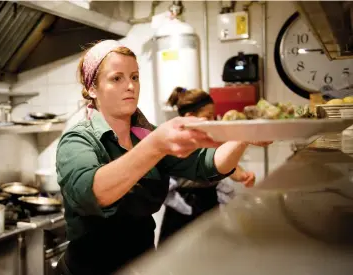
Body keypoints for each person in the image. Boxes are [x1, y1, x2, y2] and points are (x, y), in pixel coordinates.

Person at [55, 40, 270, 275]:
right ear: (93, 89)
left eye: (134, 77)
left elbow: (207, 164)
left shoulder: (145, 135)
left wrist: (244, 136)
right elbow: (93, 193)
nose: (130, 86)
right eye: (117, 78)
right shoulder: (78, 140)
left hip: (142, 265)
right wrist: (155, 146)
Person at [159, 87, 256, 243]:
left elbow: (220, 164)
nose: (213, 121)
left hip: (209, 201)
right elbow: (208, 163)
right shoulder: (176, 143)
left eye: (214, 116)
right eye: (208, 116)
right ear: (190, 117)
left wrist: (242, 175)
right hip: (183, 206)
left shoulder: (209, 138)